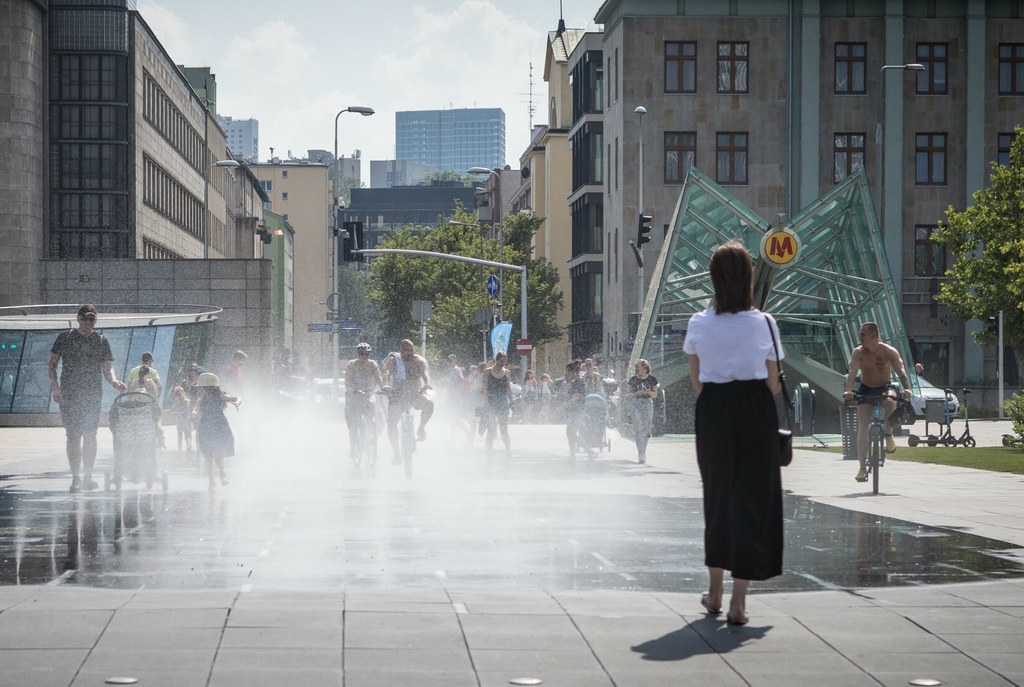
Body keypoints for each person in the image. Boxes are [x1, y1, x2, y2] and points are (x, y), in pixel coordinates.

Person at [682, 241, 784, 627]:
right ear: (748, 279)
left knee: (718, 498)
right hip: (756, 408)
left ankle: (715, 593)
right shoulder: (764, 324)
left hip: (713, 410)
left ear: (713, 279)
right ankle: (740, 602)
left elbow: (696, 382)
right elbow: (774, 383)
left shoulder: (698, 323)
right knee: (752, 500)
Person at [48, 304, 127, 492]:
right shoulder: (65, 337)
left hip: (92, 395)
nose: (90, 322)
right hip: (69, 395)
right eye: (87, 318)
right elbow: (51, 366)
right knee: (73, 437)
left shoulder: (100, 340)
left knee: (90, 435)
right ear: (79, 318)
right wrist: (56, 389)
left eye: (93, 319)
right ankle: (76, 477)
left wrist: (114, 381)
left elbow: (107, 368)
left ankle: (88, 476)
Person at [842, 321, 913, 482]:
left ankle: (888, 435)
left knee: (890, 401)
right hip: (866, 388)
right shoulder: (858, 353)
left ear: (873, 336)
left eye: (863, 334)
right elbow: (852, 372)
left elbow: (901, 370)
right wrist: (848, 390)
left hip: (884, 387)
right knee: (862, 427)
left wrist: (907, 388)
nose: (860, 337)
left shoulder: (888, 351)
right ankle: (862, 468)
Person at [381, 339, 434, 464]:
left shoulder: (419, 361)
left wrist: (426, 384)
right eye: (406, 351)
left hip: (415, 394)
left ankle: (421, 428)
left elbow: (425, 373)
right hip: (398, 396)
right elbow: (387, 373)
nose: (409, 353)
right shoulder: (394, 360)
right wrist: (386, 385)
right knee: (391, 423)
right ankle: (396, 454)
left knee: (429, 403)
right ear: (401, 351)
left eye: (411, 350)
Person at [193, 372, 240, 489]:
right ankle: (212, 481)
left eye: (202, 388)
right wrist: (194, 416)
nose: (200, 390)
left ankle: (222, 475)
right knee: (208, 455)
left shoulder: (219, 397)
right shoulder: (201, 401)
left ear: (208, 388)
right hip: (206, 428)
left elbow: (238, 398)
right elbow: (196, 412)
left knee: (218, 452)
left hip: (218, 427)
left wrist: (237, 403)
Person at [345, 342, 384, 463]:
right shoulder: (351, 365)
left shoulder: (372, 365)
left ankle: (370, 426)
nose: (364, 357)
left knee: (372, 404)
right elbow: (348, 381)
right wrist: (351, 390)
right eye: (362, 354)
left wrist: (383, 388)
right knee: (354, 423)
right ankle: (353, 447)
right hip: (355, 395)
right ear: (358, 354)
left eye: (366, 354)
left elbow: (378, 379)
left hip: (368, 394)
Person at [626, 358, 659, 464]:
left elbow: (655, 395)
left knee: (646, 430)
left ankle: (643, 451)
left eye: (637, 366)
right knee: (638, 429)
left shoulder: (652, 379)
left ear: (645, 368)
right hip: (636, 403)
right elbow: (627, 396)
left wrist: (649, 392)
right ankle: (641, 453)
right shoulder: (633, 380)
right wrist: (637, 393)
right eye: (635, 367)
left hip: (647, 403)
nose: (636, 369)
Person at [482, 351, 514, 458]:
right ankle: (488, 452)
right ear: (497, 359)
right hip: (491, 400)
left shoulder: (507, 372)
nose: (503, 363)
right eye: (501, 361)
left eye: (504, 361)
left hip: (503, 401)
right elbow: (485, 388)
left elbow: (508, 388)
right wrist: (486, 402)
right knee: (491, 428)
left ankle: (508, 451)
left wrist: (512, 401)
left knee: (504, 428)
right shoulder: (488, 371)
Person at [563, 359, 588, 457]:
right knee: (570, 434)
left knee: (571, 433)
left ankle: (589, 451)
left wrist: (565, 406)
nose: (567, 374)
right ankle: (572, 455)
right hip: (573, 412)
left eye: (568, 372)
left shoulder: (579, 383)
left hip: (578, 412)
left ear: (574, 372)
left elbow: (576, 397)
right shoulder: (574, 383)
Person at [170, 385, 193, 453]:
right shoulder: (186, 401)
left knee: (183, 436)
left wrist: (173, 411)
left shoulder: (184, 401)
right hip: (184, 419)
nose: (178, 394)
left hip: (183, 420)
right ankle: (186, 447)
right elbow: (173, 409)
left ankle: (184, 448)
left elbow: (173, 409)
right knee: (185, 435)